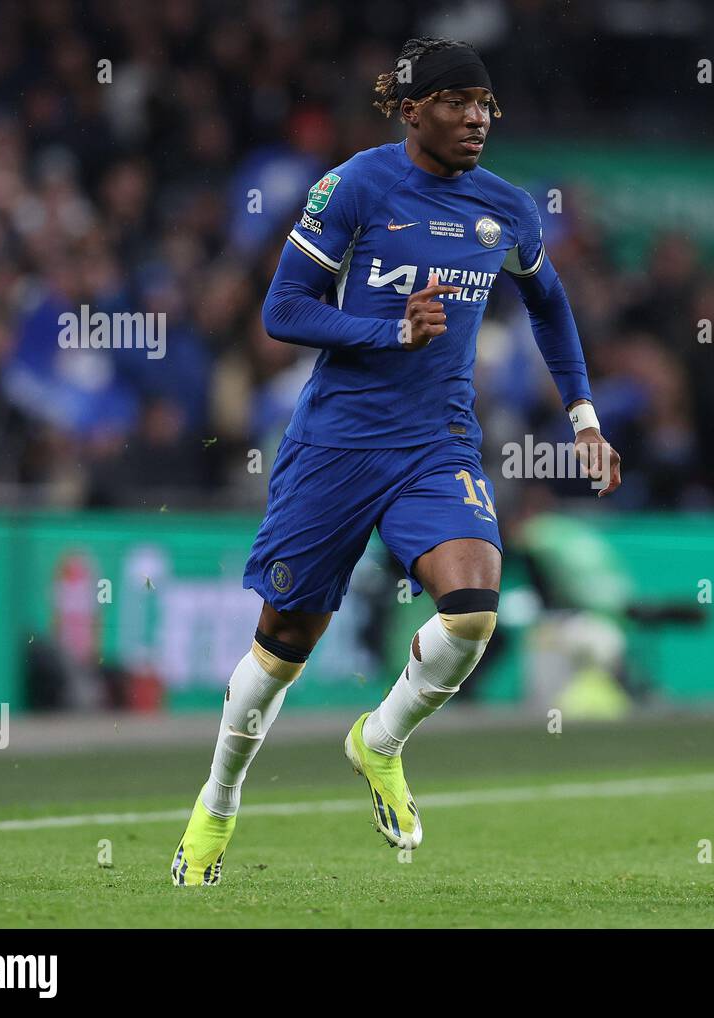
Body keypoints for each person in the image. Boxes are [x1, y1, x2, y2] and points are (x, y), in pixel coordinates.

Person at [171, 37, 621, 886]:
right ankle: (218, 804)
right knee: (281, 649)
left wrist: (584, 417)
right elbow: (283, 309)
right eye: (458, 103)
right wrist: (390, 330)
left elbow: (551, 307)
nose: (478, 119)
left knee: (474, 611)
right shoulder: (354, 186)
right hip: (336, 444)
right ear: (413, 111)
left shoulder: (505, 209)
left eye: (486, 105)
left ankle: (379, 739)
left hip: (437, 443)